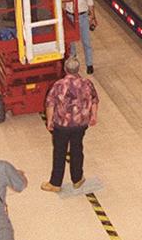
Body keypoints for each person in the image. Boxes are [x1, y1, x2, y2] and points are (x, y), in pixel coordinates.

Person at [41, 57, 99, 193]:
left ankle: (55, 183)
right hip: (80, 124)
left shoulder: (59, 85)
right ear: (78, 69)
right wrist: (93, 116)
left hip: (62, 126)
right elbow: (95, 100)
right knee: (77, 149)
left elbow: (50, 104)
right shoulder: (87, 83)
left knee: (59, 152)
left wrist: (49, 121)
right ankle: (77, 179)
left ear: (65, 69)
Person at [62, 0, 97, 74]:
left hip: (82, 17)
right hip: (70, 16)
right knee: (71, 41)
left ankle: (89, 64)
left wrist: (93, 18)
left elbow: (90, 4)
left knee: (86, 41)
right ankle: (72, 60)